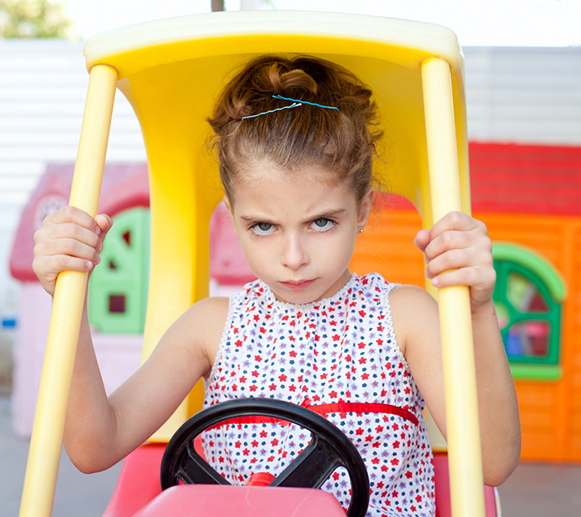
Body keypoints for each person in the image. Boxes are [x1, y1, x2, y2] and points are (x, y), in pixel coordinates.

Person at [33, 55, 520, 516]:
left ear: (365, 208)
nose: (293, 258)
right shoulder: (212, 326)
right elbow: (95, 446)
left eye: (322, 222)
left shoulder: (404, 317)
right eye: (263, 226)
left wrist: (477, 312)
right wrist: (68, 299)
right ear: (232, 214)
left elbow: (492, 462)